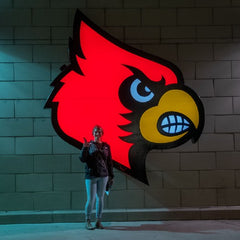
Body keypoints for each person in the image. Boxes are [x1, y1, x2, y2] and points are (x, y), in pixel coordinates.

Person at [79, 125, 114, 230]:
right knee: (91, 198)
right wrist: (84, 148)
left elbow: (109, 162)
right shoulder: (89, 145)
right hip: (91, 175)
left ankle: (98, 221)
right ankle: (88, 220)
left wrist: (111, 176)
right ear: (93, 133)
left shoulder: (106, 146)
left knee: (100, 198)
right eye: (95, 132)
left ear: (102, 133)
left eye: (99, 132)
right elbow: (83, 159)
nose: (97, 134)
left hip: (103, 175)